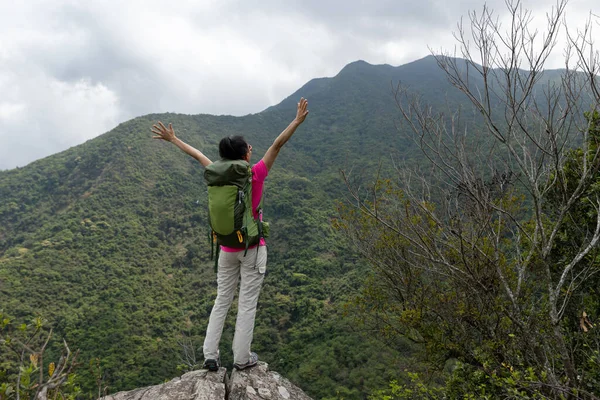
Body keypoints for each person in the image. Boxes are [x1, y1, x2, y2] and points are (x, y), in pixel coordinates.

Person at [151, 98, 309, 370]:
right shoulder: (255, 174)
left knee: (221, 300)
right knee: (247, 303)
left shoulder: (218, 174)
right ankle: (242, 358)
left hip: (225, 249)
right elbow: (277, 144)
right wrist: (296, 121)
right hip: (252, 248)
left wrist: (174, 139)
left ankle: (210, 355)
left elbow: (197, 154)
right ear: (245, 155)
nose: (251, 148)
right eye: (248, 147)